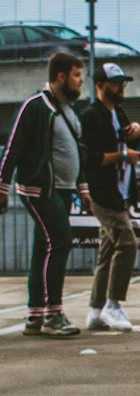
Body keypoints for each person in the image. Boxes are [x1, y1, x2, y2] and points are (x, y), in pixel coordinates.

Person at [0, 52, 91, 337]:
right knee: (61, 240)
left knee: (44, 247)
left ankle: (35, 314)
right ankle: (54, 314)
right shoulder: (35, 106)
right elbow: (12, 147)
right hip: (39, 189)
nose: (80, 82)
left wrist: (83, 186)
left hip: (62, 190)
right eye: (77, 76)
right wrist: (1, 186)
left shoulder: (67, 109)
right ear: (61, 76)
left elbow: (77, 151)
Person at [80, 61, 140, 332]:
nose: (121, 88)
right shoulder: (91, 116)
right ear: (100, 86)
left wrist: (138, 131)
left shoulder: (118, 112)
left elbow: (135, 145)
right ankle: (113, 304)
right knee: (127, 243)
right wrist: (124, 155)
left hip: (120, 190)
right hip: (103, 192)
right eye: (116, 84)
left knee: (107, 251)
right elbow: (89, 158)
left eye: (122, 83)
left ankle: (95, 311)